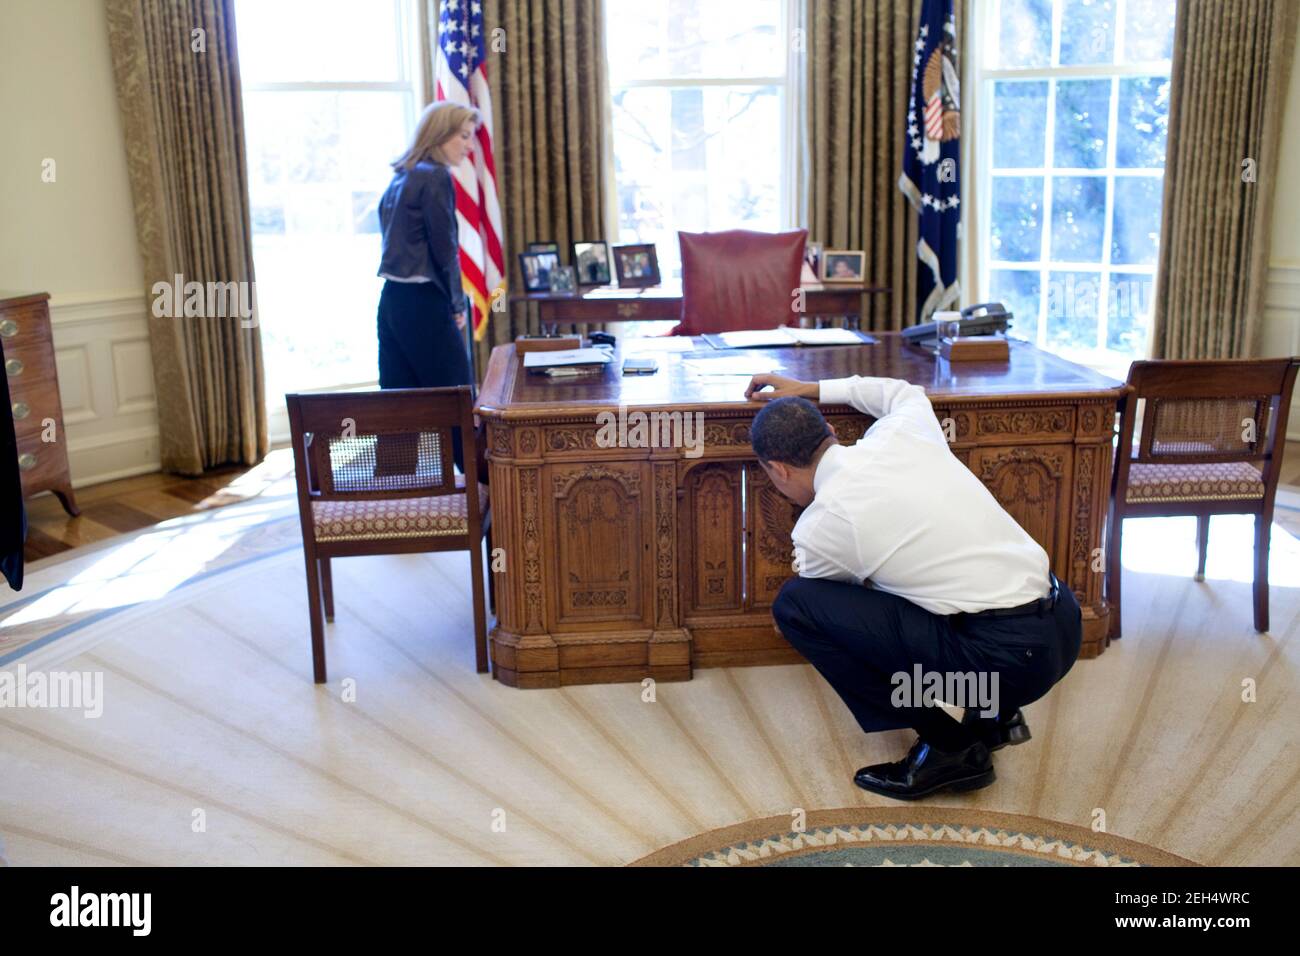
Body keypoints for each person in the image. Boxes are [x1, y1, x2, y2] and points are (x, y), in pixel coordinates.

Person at [743, 372, 1083, 800]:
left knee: (797, 607)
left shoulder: (821, 526)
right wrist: (811, 388)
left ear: (777, 469)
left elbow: (841, 604)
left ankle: (951, 747)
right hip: (1065, 625)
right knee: (921, 579)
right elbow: (902, 392)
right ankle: (992, 716)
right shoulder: (905, 430)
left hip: (1008, 663)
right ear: (829, 432)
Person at [376, 101, 478, 474]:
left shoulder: (401, 174)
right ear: (442, 134)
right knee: (458, 404)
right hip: (425, 304)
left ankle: (393, 501)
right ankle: (485, 496)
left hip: (392, 304)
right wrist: (456, 305)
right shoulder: (435, 176)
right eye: (464, 136)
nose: (469, 146)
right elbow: (444, 250)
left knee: (397, 408)